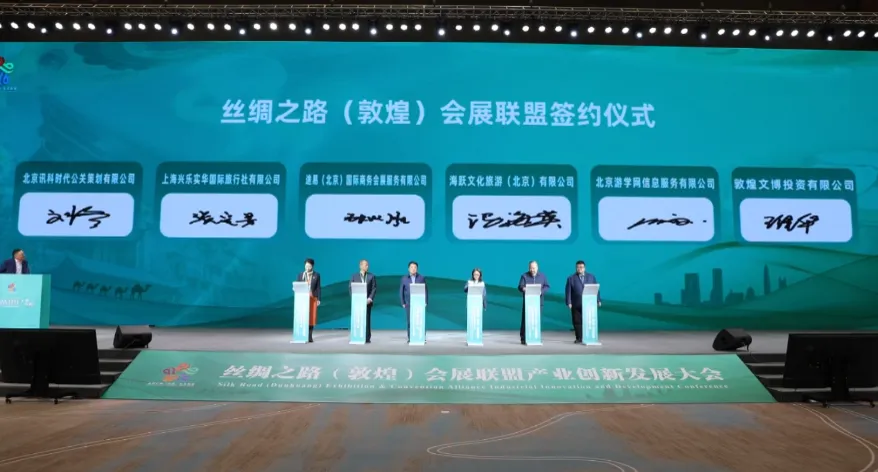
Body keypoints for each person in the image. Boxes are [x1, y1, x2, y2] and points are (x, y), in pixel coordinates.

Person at [565, 260, 600, 344]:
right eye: (577, 267)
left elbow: (596, 289)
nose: (579, 269)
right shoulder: (571, 278)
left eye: (581, 267)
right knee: (577, 321)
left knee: (589, 320)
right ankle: (579, 337)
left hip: (589, 304)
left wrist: (598, 300)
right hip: (576, 303)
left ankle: (589, 337)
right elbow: (568, 291)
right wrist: (569, 302)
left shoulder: (591, 277)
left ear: (584, 268)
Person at [517, 260, 549, 345]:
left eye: (534, 268)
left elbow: (547, 286)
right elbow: (520, 286)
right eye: (531, 268)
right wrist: (523, 288)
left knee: (536, 320)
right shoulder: (524, 276)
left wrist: (541, 291)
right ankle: (523, 338)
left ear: (537, 268)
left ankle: (536, 337)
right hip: (528, 303)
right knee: (525, 320)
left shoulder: (542, 276)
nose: (532, 270)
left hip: (539, 302)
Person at [400, 261, 428, 343]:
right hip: (409, 303)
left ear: (417, 269)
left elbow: (425, 290)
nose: (413, 269)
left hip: (419, 303)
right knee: (410, 321)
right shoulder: (404, 278)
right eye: (411, 267)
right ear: (408, 268)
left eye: (415, 267)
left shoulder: (421, 278)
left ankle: (422, 337)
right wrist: (403, 302)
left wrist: (425, 301)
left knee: (420, 321)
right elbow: (401, 291)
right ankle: (410, 337)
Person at [350, 259, 376, 343]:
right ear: (360, 266)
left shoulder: (371, 276)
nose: (367, 266)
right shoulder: (354, 276)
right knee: (358, 319)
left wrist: (370, 298)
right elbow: (350, 288)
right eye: (366, 265)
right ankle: (357, 336)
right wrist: (354, 299)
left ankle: (367, 337)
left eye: (367, 265)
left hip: (367, 302)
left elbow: (374, 288)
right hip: (357, 302)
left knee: (367, 319)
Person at [297, 258, 321, 343]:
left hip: (312, 298)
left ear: (312, 266)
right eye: (306, 266)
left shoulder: (316, 275)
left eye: (309, 266)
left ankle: (310, 336)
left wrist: (319, 299)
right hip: (302, 299)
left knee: (311, 318)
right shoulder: (301, 275)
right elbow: (298, 286)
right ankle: (302, 334)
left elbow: (318, 288)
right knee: (303, 316)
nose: (307, 267)